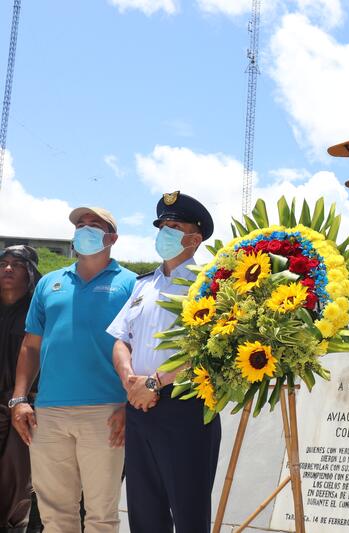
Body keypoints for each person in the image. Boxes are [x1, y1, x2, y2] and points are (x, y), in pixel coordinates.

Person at [10, 207, 136, 533]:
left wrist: (128, 404)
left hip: (106, 412)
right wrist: (19, 399)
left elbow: (141, 349)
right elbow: (31, 345)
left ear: (112, 238)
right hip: (49, 413)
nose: (85, 229)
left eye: (95, 225)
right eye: (81, 225)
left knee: (101, 515)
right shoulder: (50, 284)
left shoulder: (132, 285)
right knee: (55, 515)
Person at [107, 191, 220, 533]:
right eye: (161, 225)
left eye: (173, 225)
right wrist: (130, 381)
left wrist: (153, 382)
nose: (164, 232)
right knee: (144, 512)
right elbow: (120, 340)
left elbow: (206, 346)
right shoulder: (144, 284)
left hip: (185, 408)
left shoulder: (211, 285)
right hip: (139, 407)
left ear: (194, 238)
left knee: (188, 513)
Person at [0, 246, 41, 533]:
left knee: (16, 481)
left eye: (17, 264)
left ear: (31, 273)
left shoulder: (38, 311)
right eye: (3, 263)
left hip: (23, 404)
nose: (8, 269)